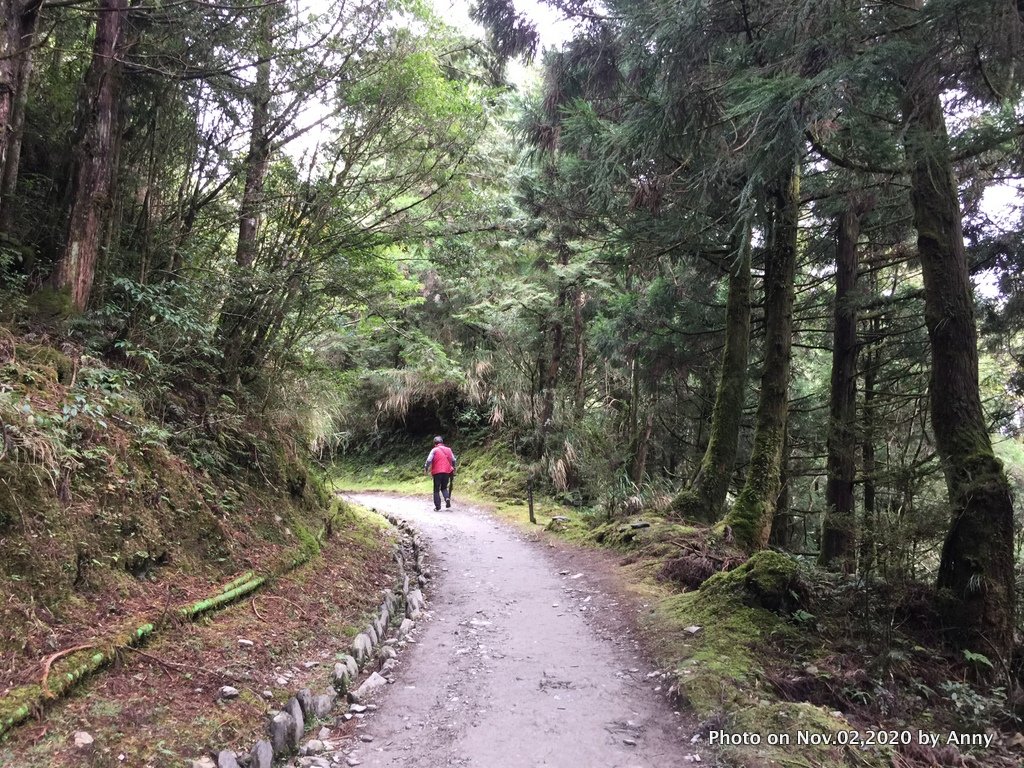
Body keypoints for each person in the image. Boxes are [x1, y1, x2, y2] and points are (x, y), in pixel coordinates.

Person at [424, 435, 457, 511]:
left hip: (437, 472)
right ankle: (447, 498)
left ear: (435, 443)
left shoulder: (434, 450)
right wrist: (454, 467)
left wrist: (426, 468)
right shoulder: (449, 449)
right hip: (447, 472)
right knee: (444, 488)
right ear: (442, 442)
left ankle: (438, 507)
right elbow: (453, 460)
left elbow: (429, 460)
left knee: (436, 490)